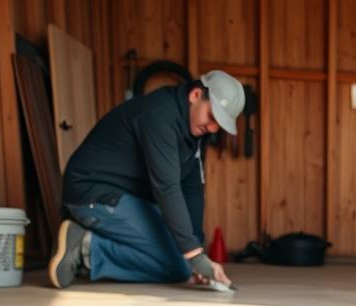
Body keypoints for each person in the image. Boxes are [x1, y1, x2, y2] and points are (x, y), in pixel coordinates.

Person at [49, 70, 245, 290]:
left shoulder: (195, 131)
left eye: (219, 124)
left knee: (183, 255)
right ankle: (87, 247)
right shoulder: (159, 114)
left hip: (125, 196)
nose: (213, 128)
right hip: (92, 192)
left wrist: (197, 248)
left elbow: (193, 189)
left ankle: (90, 244)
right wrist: (193, 256)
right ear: (196, 95)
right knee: (179, 266)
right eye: (212, 116)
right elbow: (167, 187)